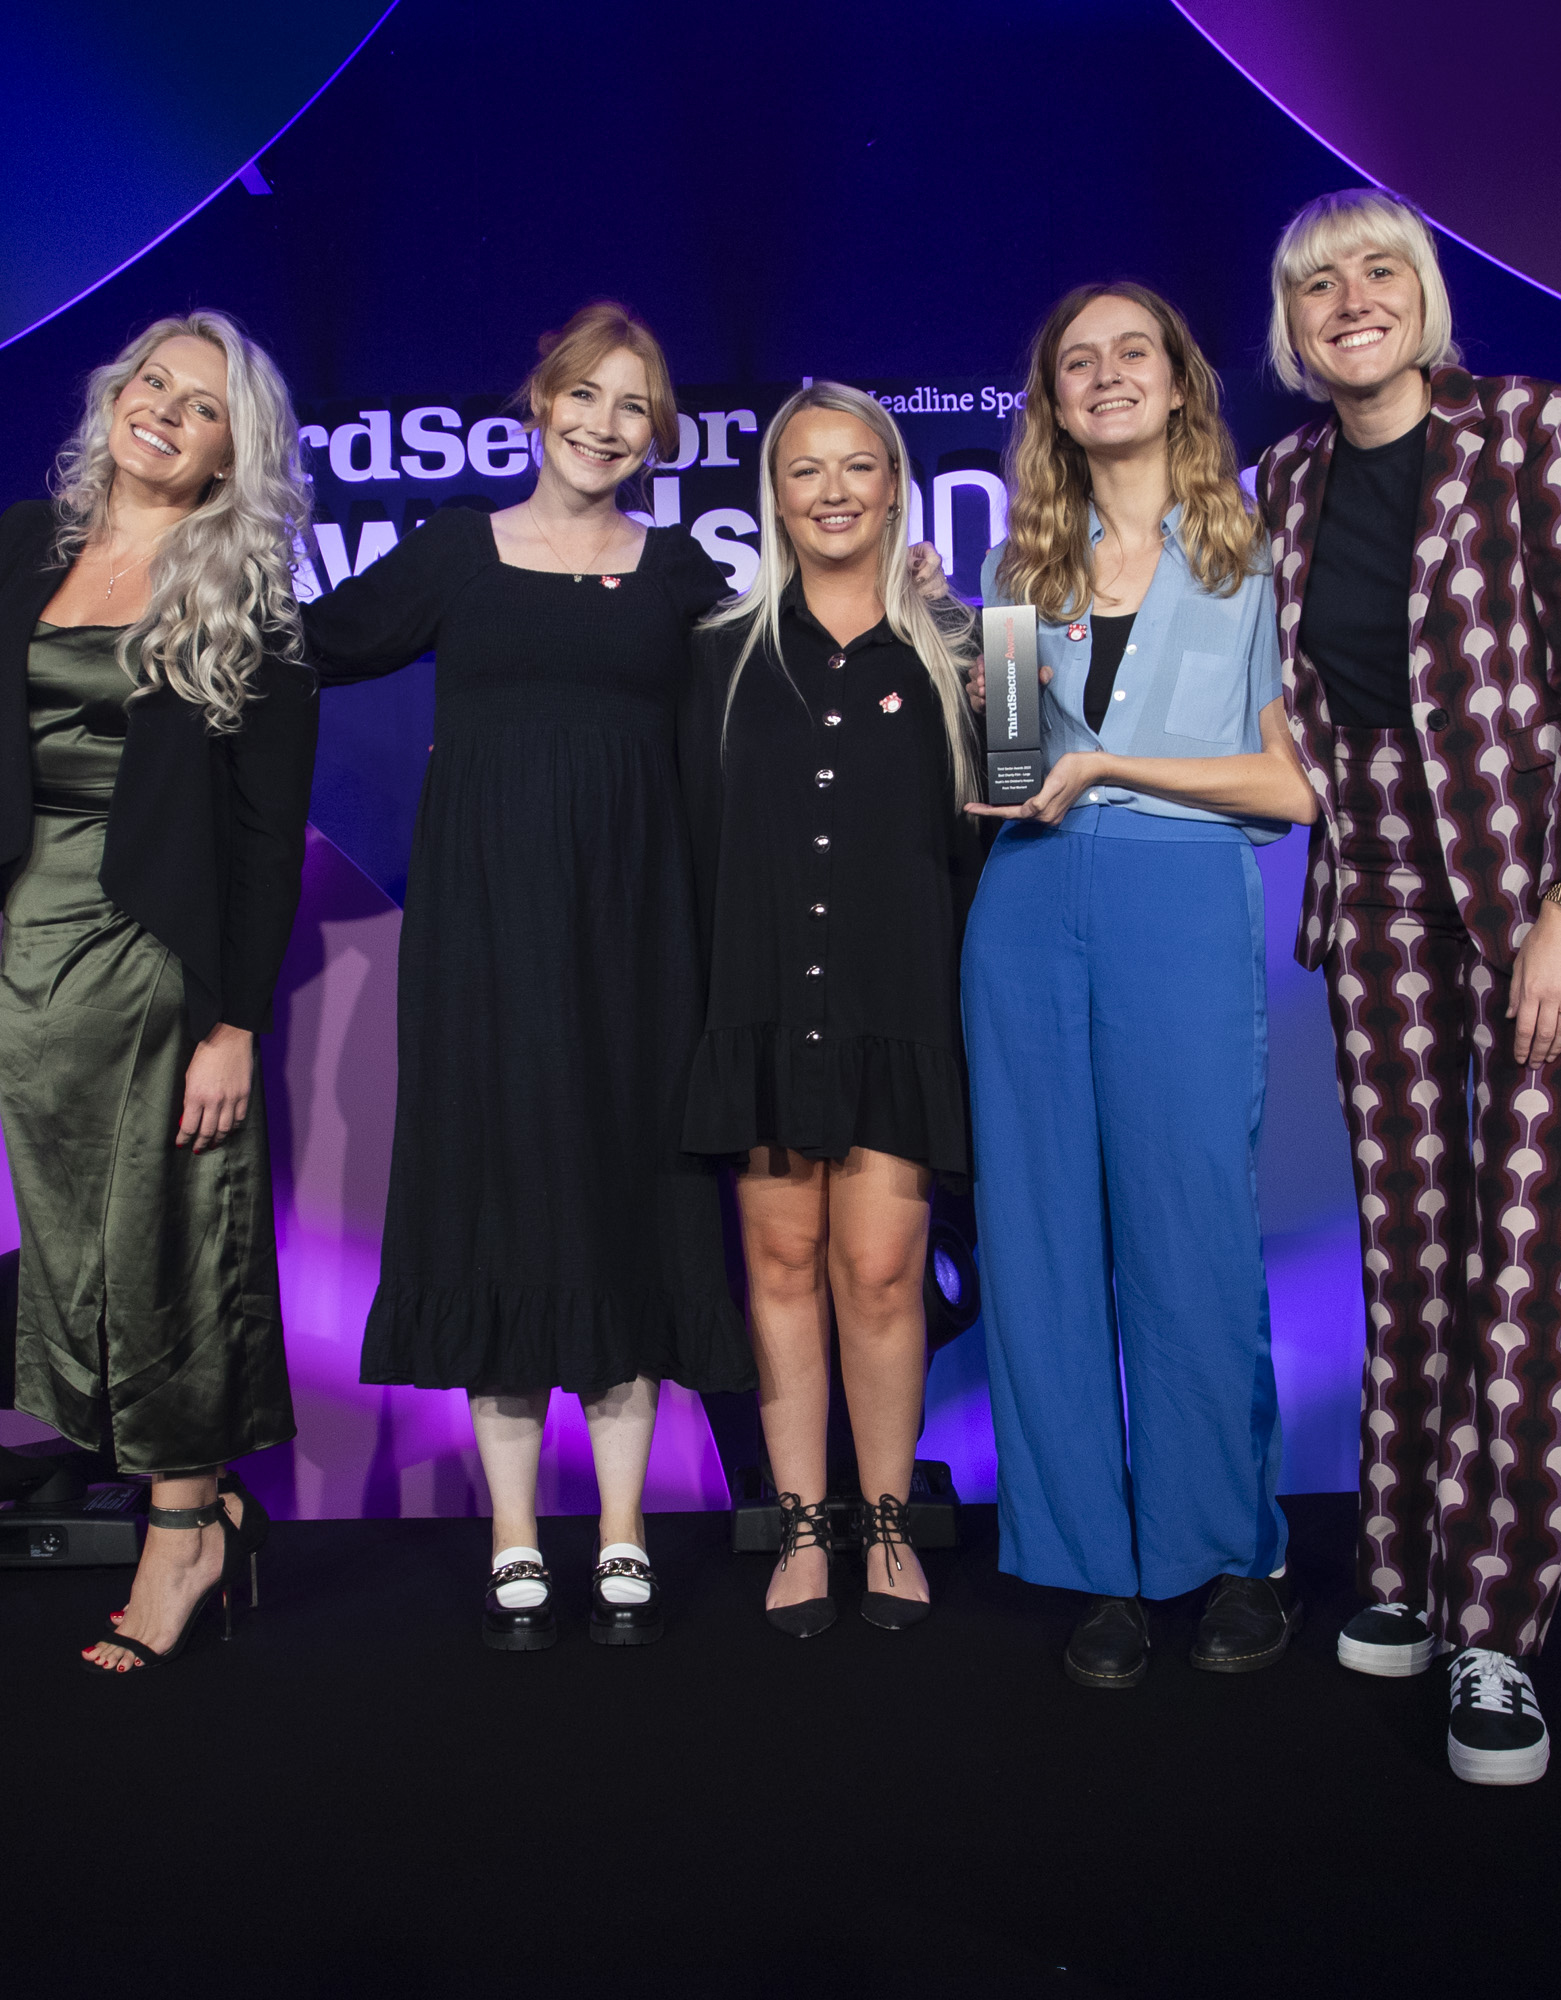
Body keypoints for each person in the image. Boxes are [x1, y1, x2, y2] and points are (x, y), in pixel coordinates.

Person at [1256, 189, 1561, 1786]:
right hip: (1374, 889)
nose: (1352, 299)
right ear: (1292, 328)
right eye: (1318, 284)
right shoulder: (1285, 481)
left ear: (1424, 296)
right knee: (1408, 1245)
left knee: (1527, 1257)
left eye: (1379, 271)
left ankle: (1498, 1627)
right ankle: (1406, 1566)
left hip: (1528, 886)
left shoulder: (1534, 428)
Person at [303, 301, 751, 1650]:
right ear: (541, 402)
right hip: (485, 939)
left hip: (637, 939)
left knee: (629, 1192)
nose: (607, 425)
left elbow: (780, 689)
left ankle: (620, 1524)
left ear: (656, 436)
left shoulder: (680, 573)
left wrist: (915, 601)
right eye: (587, 396)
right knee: (496, 1196)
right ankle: (511, 1528)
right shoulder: (457, 550)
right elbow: (306, 644)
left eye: (635, 407)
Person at [0, 313, 316, 1673]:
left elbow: (266, 835)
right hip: (38, 952)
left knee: (167, 1239)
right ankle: (199, 1503)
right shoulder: (27, 543)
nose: (164, 409)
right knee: (77, 1245)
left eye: (202, 404)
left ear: (233, 451)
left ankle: (180, 1527)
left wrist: (234, 1023)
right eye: (152, 382)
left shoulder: (247, 591)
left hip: (161, 955)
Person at [962, 283, 1318, 1692]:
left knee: (1191, 1231)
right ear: (1053, 403)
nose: (1106, 376)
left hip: (1179, 896)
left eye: (1133, 354)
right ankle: (1092, 1566)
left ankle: (1226, 1551)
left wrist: (1110, 762)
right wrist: (988, 717)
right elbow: (1011, 776)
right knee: (1040, 1243)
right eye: (1078, 362)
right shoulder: (1018, 569)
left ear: (1179, 384)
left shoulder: (1251, 554)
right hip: (1025, 908)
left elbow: (1291, 788)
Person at [682, 384, 981, 1636]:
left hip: (897, 1005)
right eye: (806, 469)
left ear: (896, 483)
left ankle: (888, 1518)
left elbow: (1005, 827)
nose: (834, 490)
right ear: (775, 493)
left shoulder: (969, 651)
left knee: (881, 1268)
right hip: (762, 1002)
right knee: (779, 1265)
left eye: (859, 465)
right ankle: (805, 1523)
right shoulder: (715, 655)